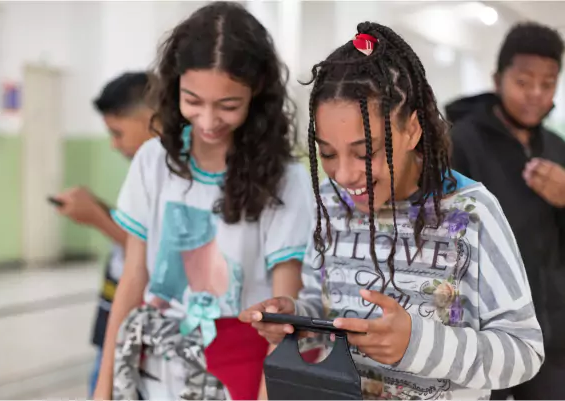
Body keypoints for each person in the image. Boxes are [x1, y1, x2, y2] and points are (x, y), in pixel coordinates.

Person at [240, 21, 544, 400]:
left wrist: (416, 344)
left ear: (413, 130)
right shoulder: (331, 203)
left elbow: (525, 351)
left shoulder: (471, 212)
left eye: (365, 152)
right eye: (328, 154)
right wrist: (297, 318)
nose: (346, 174)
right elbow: (327, 306)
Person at [92, 2, 315, 400]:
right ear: (174, 83)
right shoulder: (153, 161)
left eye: (228, 106)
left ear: (257, 91)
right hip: (154, 368)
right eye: (193, 100)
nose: (209, 121)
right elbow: (133, 278)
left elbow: (284, 311)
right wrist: (103, 389)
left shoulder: (284, 179)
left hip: (241, 370)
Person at [445, 22, 565, 400]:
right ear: (498, 79)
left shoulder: (557, 147)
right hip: (483, 333)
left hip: (554, 335)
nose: (535, 93)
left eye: (548, 84)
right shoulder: (460, 141)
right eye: (524, 81)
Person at [53, 71, 154, 397]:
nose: (113, 144)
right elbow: (133, 227)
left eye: (117, 132)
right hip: (113, 311)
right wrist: (98, 207)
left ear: (150, 118)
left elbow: (151, 252)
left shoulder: (169, 174)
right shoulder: (143, 171)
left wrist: (96, 217)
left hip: (140, 324)